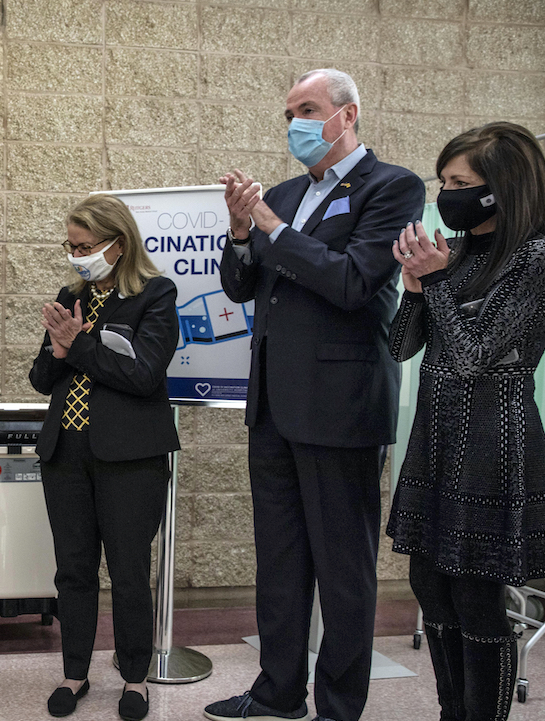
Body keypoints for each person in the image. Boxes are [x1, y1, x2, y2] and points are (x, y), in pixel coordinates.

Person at [204, 69, 425, 721]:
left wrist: (269, 222)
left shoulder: (392, 187)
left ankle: (338, 704)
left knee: (343, 571)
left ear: (347, 114)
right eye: (289, 111)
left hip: (342, 406)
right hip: (272, 404)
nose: (295, 122)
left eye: (308, 108)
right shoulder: (284, 193)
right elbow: (244, 287)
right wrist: (243, 232)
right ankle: (278, 690)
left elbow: (355, 282)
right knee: (279, 561)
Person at [387, 122, 545, 721]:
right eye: (443, 180)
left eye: (460, 182)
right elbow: (405, 346)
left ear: (501, 187)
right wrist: (416, 289)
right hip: (438, 436)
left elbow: (476, 355)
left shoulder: (534, 256)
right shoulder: (458, 254)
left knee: (477, 599)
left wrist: (435, 283)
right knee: (432, 588)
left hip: (495, 442)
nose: (447, 192)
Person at [29, 193, 181, 721]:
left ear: (119, 243)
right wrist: (56, 347)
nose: (75, 256)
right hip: (65, 452)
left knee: (129, 570)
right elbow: (41, 379)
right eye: (70, 246)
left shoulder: (156, 296)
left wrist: (81, 346)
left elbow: (143, 375)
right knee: (73, 570)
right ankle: (74, 673)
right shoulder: (69, 294)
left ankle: (135, 679)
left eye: (84, 246)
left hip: (130, 459)